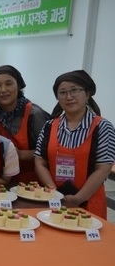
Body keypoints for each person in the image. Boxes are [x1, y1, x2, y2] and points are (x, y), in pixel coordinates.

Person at [35, 70, 115, 218]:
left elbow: (103, 168)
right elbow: (40, 161)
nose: (69, 97)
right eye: (63, 92)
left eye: (74, 90)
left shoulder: (102, 127)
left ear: (87, 94)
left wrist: (79, 198)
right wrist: (53, 190)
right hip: (54, 199)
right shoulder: (49, 126)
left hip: (89, 201)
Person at [0, 65, 50, 183]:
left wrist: (18, 154)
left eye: (9, 84)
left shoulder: (34, 114)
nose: (3, 90)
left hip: (32, 181)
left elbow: (48, 153)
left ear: (18, 86)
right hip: (2, 180)